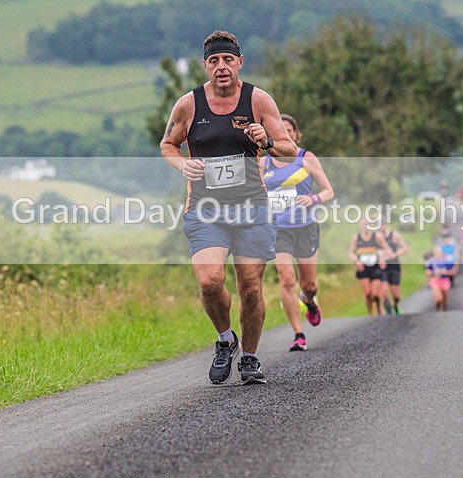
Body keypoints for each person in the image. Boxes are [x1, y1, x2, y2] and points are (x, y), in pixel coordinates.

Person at [160, 30, 297, 385]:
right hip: (206, 209)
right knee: (210, 281)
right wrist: (181, 165)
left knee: (250, 288)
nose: (221, 67)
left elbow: (289, 149)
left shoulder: (259, 100)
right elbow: (169, 145)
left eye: (228, 60)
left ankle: (249, 358)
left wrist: (265, 140)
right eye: (214, 61)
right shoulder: (188, 105)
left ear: (239, 62)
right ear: (205, 66)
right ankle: (225, 339)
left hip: (252, 207)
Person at [261, 114, 334, 351]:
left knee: (309, 284)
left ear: (296, 134)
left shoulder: (306, 158)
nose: (285, 133)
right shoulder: (263, 163)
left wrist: (313, 198)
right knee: (286, 279)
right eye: (279, 130)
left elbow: (328, 191)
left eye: (289, 130)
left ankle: (309, 300)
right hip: (278, 228)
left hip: (305, 227)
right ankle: (298, 333)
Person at [348, 216, 391, 317]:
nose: (366, 226)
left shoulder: (377, 236)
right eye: (364, 224)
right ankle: (370, 315)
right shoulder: (356, 238)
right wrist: (356, 261)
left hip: (375, 267)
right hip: (363, 268)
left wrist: (381, 258)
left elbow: (387, 249)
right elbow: (351, 253)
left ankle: (378, 307)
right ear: (360, 225)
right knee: (367, 294)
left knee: (375, 294)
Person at [378, 221, 409, 315]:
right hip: (382, 267)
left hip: (394, 266)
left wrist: (396, 254)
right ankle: (388, 312)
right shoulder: (375, 237)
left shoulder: (394, 235)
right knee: (384, 293)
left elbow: (405, 248)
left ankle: (396, 305)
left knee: (396, 294)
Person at [424, 246, 454, 311]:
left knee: (444, 297)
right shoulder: (431, 261)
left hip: (445, 280)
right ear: (434, 253)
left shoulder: (446, 261)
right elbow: (427, 270)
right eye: (437, 252)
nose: (438, 254)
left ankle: (444, 309)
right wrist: (431, 273)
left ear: (442, 253)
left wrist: (445, 272)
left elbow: (452, 272)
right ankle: (437, 305)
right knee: (439, 298)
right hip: (435, 280)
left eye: (439, 252)